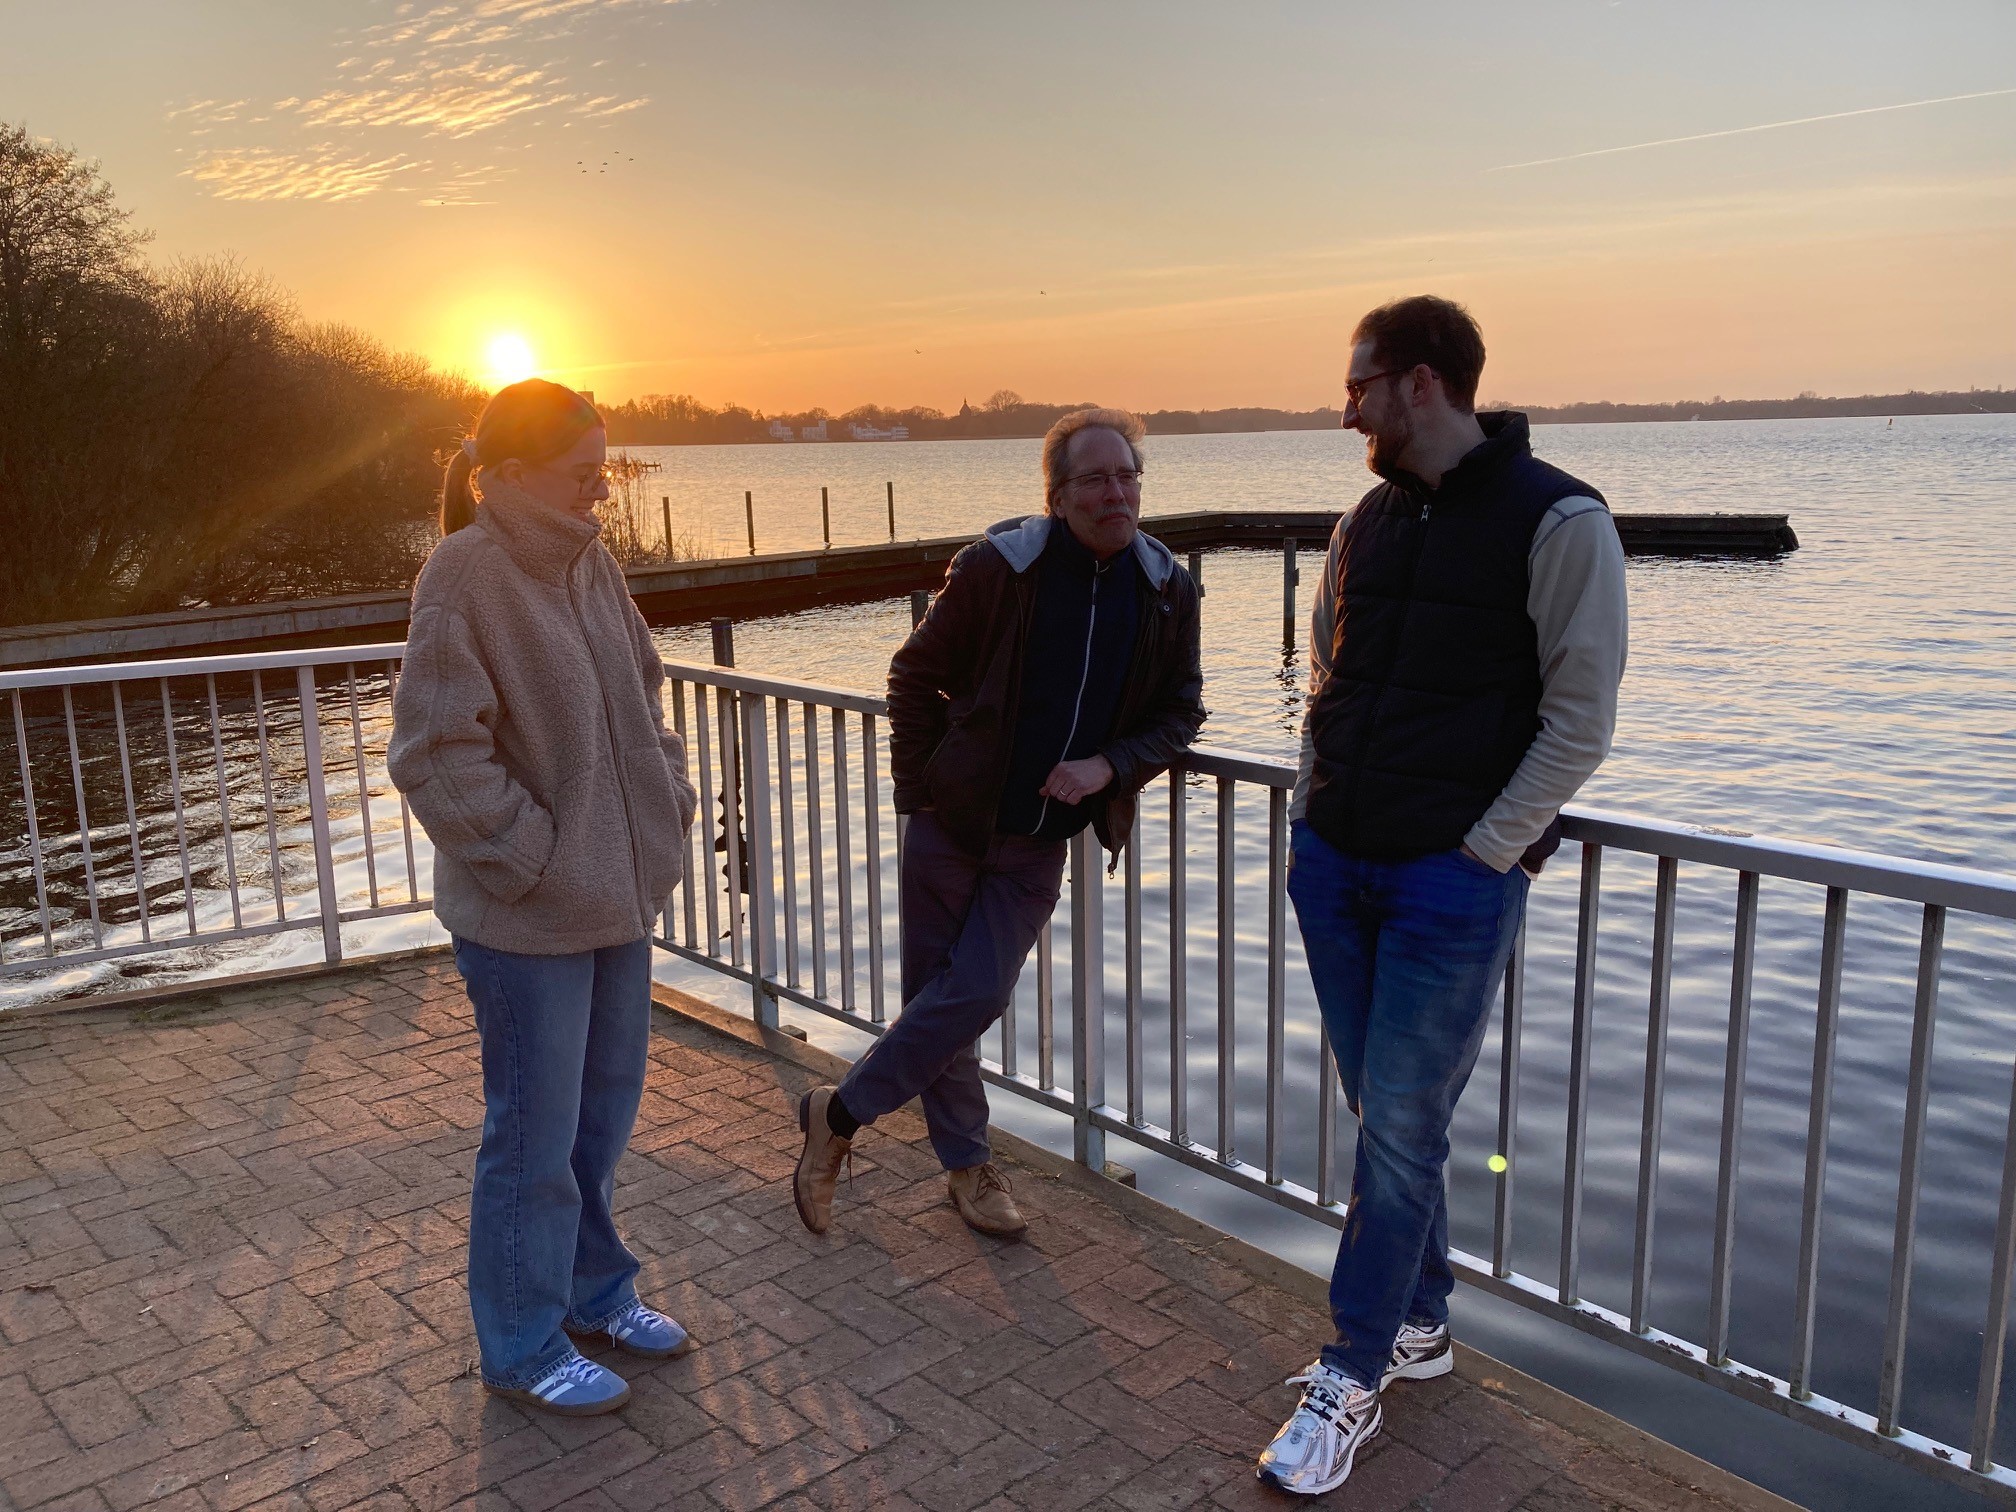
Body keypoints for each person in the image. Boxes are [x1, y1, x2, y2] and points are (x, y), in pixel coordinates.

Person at [1257, 297, 1628, 1495]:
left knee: (1403, 1124)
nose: (1346, 409)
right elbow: (1330, 674)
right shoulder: (1362, 522)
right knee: (1386, 1114)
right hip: (1336, 863)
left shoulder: (1560, 520)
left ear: (1420, 383)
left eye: (1358, 385)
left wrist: (1486, 851)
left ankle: (1351, 1371)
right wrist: (1310, 812)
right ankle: (1420, 1323)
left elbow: (1581, 717)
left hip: (1448, 884)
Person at [791, 407, 1205, 1241]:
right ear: (1057, 495)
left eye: (1127, 475)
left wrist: (1110, 765)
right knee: (939, 1004)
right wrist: (921, 794)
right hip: (950, 825)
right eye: (1095, 478)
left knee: (973, 993)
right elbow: (913, 676)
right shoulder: (999, 569)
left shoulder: (1166, 589)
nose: (1116, 493)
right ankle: (968, 1168)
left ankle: (836, 1116)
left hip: (1038, 841)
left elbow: (1181, 711)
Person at [388, 378, 700, 1417]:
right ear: (513, 474)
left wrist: (665, 806)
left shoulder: (591, 563)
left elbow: (645, 698)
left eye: (603, 471)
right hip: (528, 922)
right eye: (584, 475)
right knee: (530, 1139)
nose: (601, 492)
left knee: (597, 1125)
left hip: (617, 903)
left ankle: (595, 1293)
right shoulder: (464, 575)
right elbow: (434, 752)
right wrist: (536, 861)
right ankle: (521, 1345)